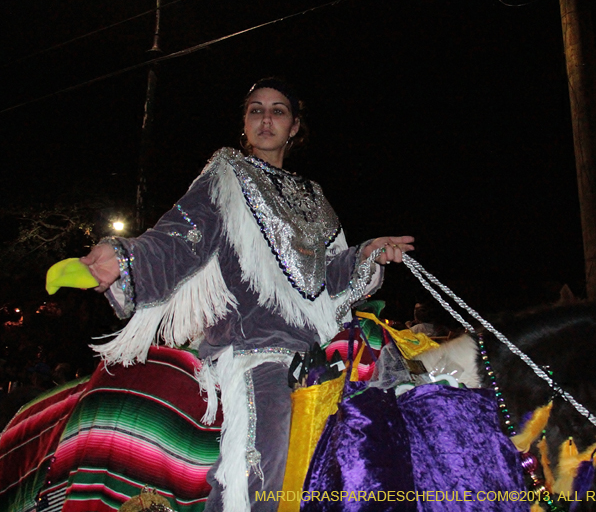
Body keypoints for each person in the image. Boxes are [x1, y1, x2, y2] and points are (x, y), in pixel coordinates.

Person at [80, 78, 414, 511]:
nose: (266, 119)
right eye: (256, 110)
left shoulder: (314, 196)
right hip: (254, 348)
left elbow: (331, 275)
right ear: (244, 122)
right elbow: (181, 236)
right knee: (265, 452)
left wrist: (369, 253)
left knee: (390, 393)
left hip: (316, 344)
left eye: (278, 110)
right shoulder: (226, 175)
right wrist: (124, 257)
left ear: (294, 126)